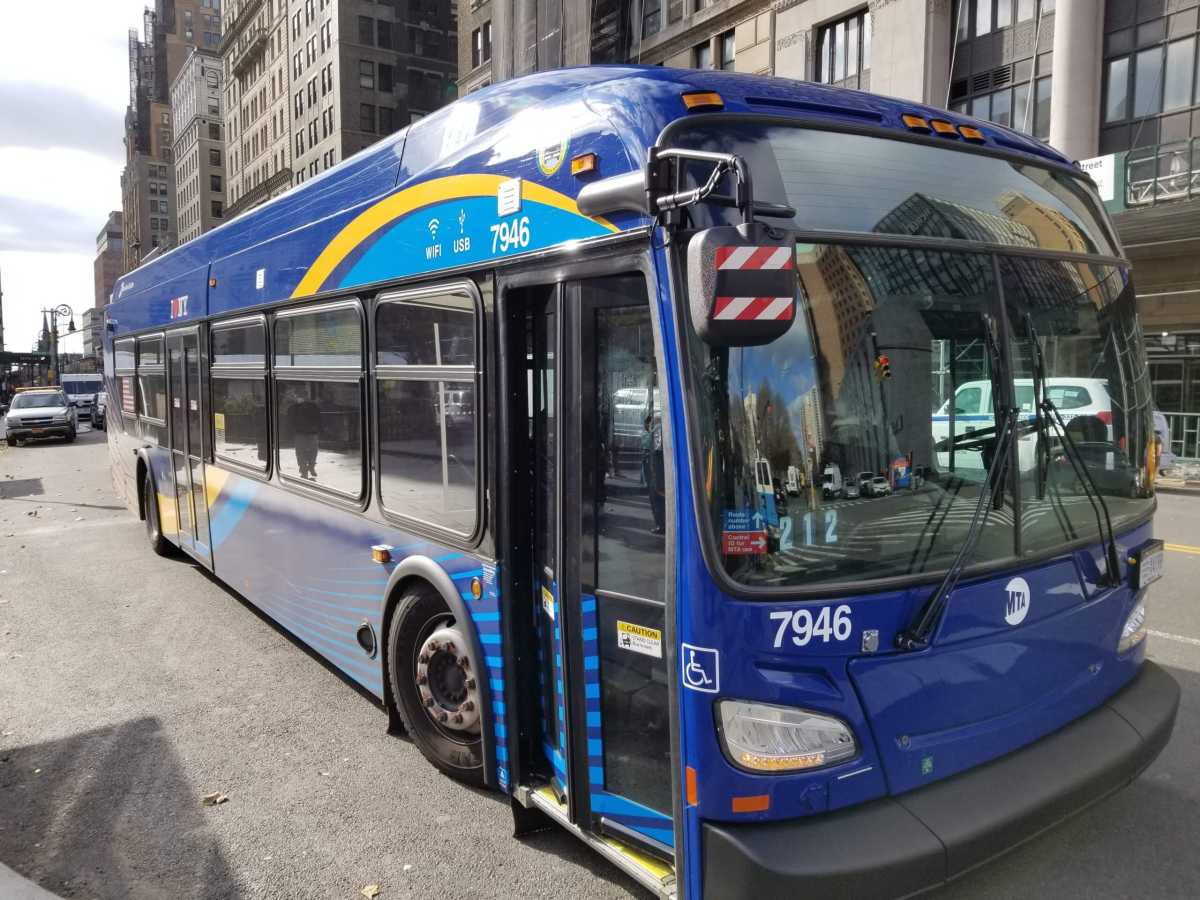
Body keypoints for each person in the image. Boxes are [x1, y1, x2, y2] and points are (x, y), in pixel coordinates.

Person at [287, 387, 322, 479]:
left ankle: (306, 469)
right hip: (307, 433)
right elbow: (319, 419)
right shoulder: (312, 406)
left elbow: (290, 421)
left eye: (300, 396)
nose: (299, 397)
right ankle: (308, 467)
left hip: (303, 433)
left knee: (301, 452)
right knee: (311, 451)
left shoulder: (294, 407)